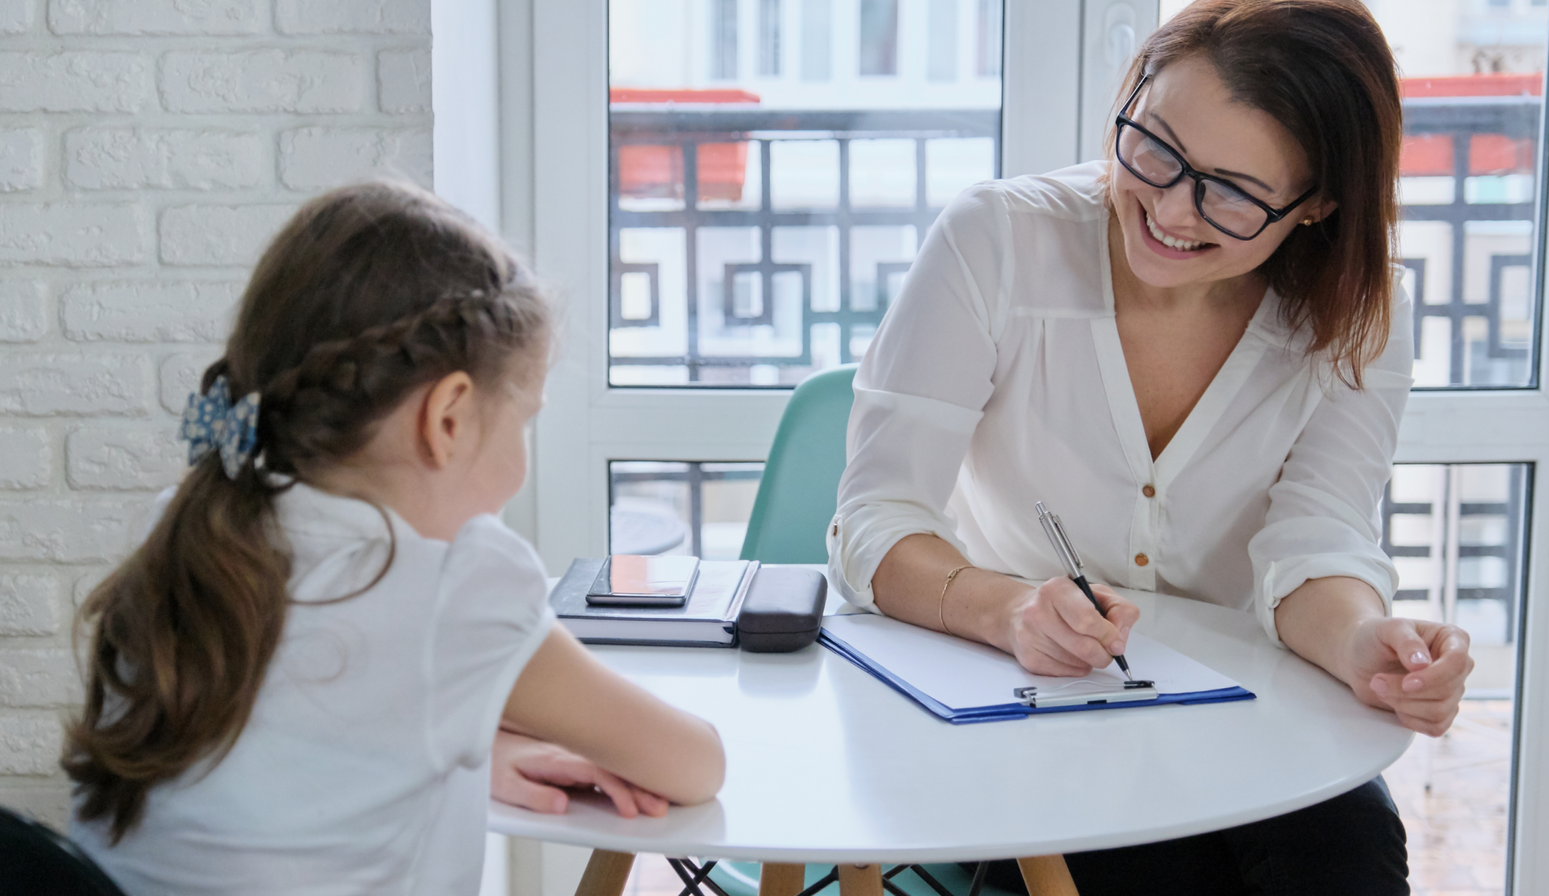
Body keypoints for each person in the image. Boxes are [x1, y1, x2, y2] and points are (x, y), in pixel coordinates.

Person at [826, 1, 1471, 892]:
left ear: (1319, 203)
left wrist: (1365, 641)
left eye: (1234, 192)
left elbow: (1315, 541)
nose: (1168, 207)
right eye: (1155, 148)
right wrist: (1010, 611)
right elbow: (875, 520)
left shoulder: (1363, 316)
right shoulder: (998, 241)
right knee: (1150, 869)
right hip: (1015, 709)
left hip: (1242, 712)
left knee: (1350, 851)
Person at [63, 181, 725, 895]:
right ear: (448, 419)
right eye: (523, 420)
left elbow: (276, 755)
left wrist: (478, 743)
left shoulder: (190, 531)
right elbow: (694, 765)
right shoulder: (456, 586)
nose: (521, 467)